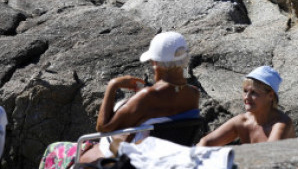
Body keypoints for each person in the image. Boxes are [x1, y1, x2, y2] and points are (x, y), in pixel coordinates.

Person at [39, 31, 200, 169]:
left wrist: (113, 85)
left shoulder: (147, 98)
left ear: (157, 64)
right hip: (161, 157)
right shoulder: (194, 94)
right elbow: (168, 102)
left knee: (54, 149)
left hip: (124, 160)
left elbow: (103, 127)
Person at [198, 66, 294, 146]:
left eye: (253, 93)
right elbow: (205, 143)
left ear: (270, 96)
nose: (247, 97)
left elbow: (269, 155)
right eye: (245, 91)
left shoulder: (282, 123)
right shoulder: (242, 122)